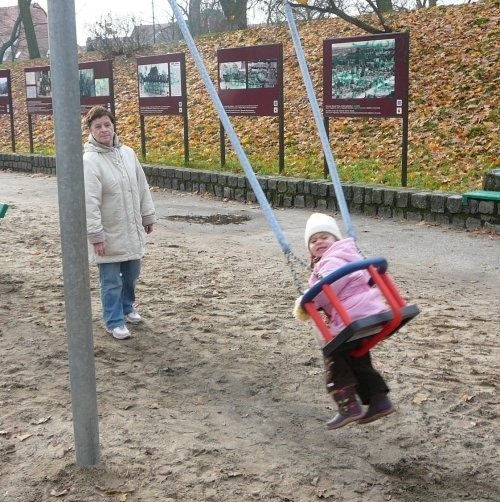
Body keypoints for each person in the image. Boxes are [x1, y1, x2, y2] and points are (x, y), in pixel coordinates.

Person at [294, 213, 394, 430]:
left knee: (333, 354)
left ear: (336, 241)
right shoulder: (350, 255)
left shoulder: (332, 259)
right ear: (309, 249)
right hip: (371, 312)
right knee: (356, 355)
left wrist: (306, 302)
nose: (319, 242)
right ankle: (379, 400)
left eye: (324, 237)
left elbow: (329, 287)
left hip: (354, 315)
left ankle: (348, 405)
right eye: (313, 240)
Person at [83, 106, 156, 340]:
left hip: (131, 227)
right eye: (98, 126)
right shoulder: (89, 161)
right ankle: (113, 320)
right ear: (91, 130)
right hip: (109, 231)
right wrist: (96, 235)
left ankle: (127, 307)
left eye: (107, 124)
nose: (104, 130)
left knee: (132, 273)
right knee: (111, 279)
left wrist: (147, 215)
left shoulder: (128, 154)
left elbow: (141, 186)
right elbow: (89, 201)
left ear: (113, 126)